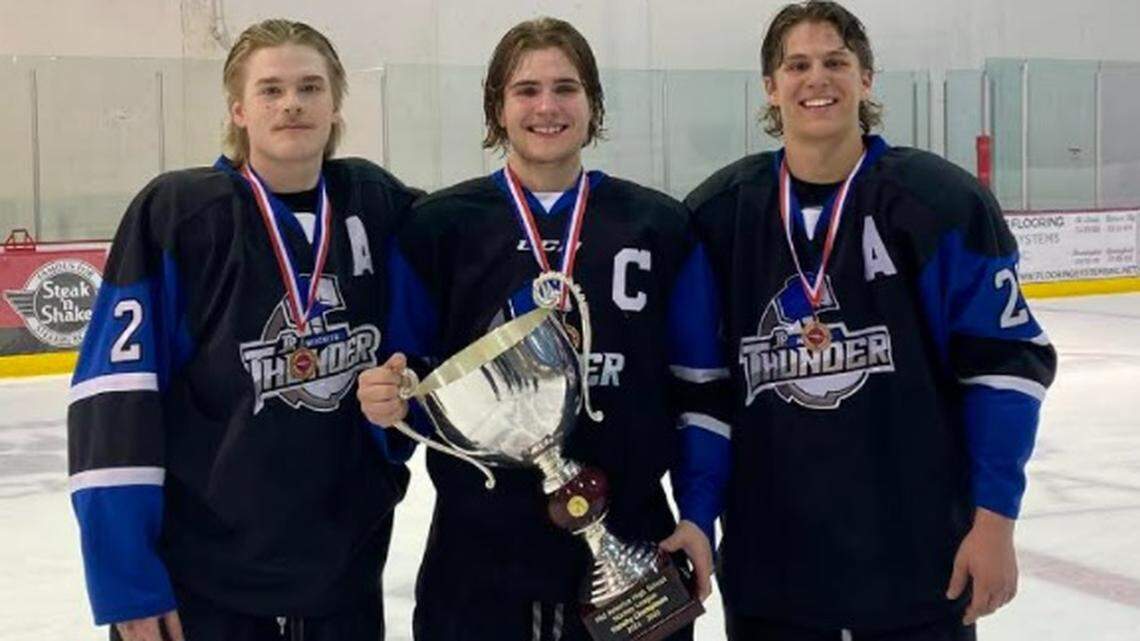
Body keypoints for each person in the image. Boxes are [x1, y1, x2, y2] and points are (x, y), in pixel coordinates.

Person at [684, 2, 1058, 640]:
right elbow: (702, 390)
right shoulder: (719, 217)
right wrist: (698, 515)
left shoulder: (941, 203)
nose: (817, 79)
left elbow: (1003, 371)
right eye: (796, 65)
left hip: (917, 571)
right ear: (771, 88)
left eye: (836, 61)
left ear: (867, 78)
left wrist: (994, 521)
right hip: (773, 579)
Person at [357, 16, 730, 641]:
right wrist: (389, 401)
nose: (547, 106)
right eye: (526, 90)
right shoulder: (438, 228)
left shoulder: (659, 227)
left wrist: (698, 514)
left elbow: (702, 390)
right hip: (477, 562)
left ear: (593, 105)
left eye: (567, 88)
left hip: (634, 545)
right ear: (498, 108)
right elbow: (410, 384)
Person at [67, 19, 419, 641]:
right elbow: (113, 405)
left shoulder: (377, 203)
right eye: (271, 89)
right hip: (202, 585)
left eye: (311, 87)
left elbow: (471, 266)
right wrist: (127, 584)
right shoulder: (178, 214)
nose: (292, 103)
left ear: (335, 104)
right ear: (238, 108)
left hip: (343, 579)